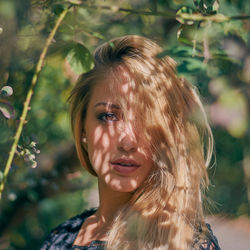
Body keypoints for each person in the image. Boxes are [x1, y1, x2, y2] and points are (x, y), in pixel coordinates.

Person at [41, 35, 220, 250]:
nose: (128, 141)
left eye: (145, 120)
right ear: (82, 129)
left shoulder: (186, 243)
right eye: (108, 116)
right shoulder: (59, 239)